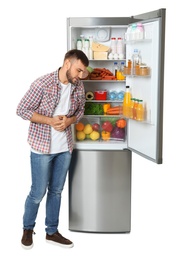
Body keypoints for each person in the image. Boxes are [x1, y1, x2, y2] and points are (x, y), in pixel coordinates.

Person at [16, 49, 89, 249]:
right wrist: (50, 121)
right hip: (42, 147)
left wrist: (70, 121)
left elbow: (81, 111)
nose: (80, 76)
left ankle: (52, 231)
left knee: (56, 191)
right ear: (67, 63)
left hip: (65, 148)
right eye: (78, 70)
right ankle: (28, 229)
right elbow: (21, 109)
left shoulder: (78, 86)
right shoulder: (42, 83)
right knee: (38, 192)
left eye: (83, 72)